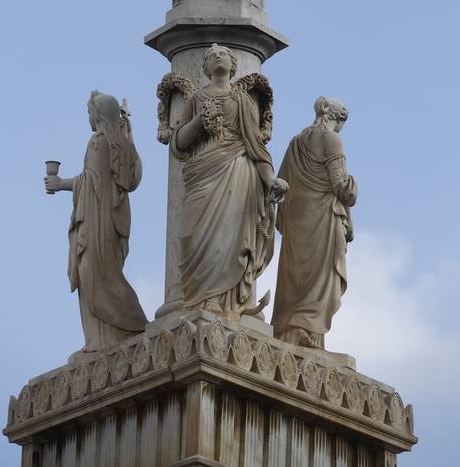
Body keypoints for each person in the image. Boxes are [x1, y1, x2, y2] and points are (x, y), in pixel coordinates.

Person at [171, 44, 287, 315]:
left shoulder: (242, 101)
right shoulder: (196, 100)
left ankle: (225, 302)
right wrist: (199, 122)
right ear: (206, 68)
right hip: (202, 176)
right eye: (212, 56)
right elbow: (177, 144)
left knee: (228, 239)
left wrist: (270, 180)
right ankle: (200, 298)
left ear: (233, 65)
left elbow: (257, 148)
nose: (218, 57)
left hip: (236, 173)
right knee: (196, 236)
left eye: (223, 55)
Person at [44, 91, 146, 352]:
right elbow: (133, 179)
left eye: (89, 111)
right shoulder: (123, 145)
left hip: (97, 221)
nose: (88, 116)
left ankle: (113, 334)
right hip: (115, 219)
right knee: (107, 274)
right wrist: (129, 136)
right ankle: (106, 337)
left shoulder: (98, 142)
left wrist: (60, 183)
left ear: (98, 114)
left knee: (93, 274)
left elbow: (91, 181)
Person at [272, 97, 357, 348]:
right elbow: (341, 187)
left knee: (297, 274)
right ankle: (308, 331)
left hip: (296, 218)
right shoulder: (332, 140)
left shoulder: (295, 144)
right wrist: (354, 185)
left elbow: (281, 183)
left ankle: (290, 328)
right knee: (320, 276)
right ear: (337, 119)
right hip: (322, 217)